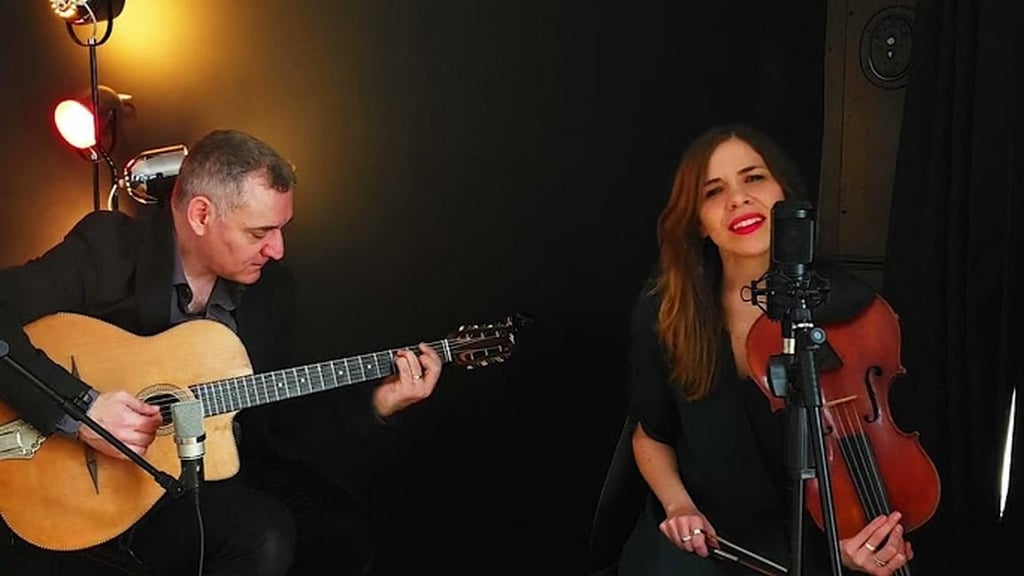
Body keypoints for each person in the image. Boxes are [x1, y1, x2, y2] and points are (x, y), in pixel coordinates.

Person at [0, 128, 442, 575]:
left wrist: (376, 405)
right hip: (99, 483)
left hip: (213, 469)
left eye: (281, 230)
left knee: (343, 534)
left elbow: (281, 419)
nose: (277, 249)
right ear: (200, 214)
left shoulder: (271, 291)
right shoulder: (108, 248)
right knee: (262, 536)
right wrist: (84, 411)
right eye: (259, 232)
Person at [617, 123, 915, 575]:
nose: (738, 199)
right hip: (710, 539)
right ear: (697, 221)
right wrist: (679, 508)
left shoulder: (848, 306)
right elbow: (650, 434)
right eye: (713, 191)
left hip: (814, 542)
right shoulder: (666, 312)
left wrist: (858, 544)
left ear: (784, 194)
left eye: (753, 178)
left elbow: (867, 444)